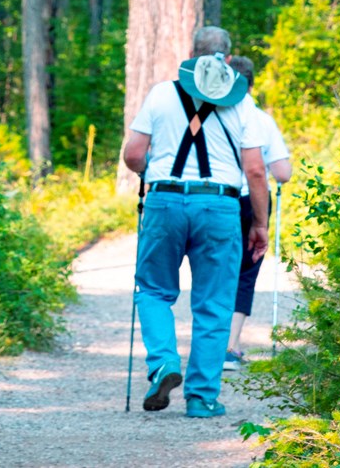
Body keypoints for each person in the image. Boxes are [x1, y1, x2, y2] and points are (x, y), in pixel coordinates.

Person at [122, 26, 269, 418]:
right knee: (215, 302)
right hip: (219, 207)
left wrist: (150, 171)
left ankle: (165, 363)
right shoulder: (243, 104)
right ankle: (202, 398)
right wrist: (260, 223)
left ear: (192, 54)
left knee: (153, 290)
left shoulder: (161, 93)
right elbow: (255, 171)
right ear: (228, 57)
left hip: (165, 200)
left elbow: (134, 154)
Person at [222, 56, 292, 371]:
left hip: (217, 198)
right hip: (252, 201)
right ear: (251, 84)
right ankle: (230, 345)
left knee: (214, 268)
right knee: (245, 273)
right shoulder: (261, 119)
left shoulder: (213, 114)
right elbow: (283, 172)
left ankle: (209, 341)